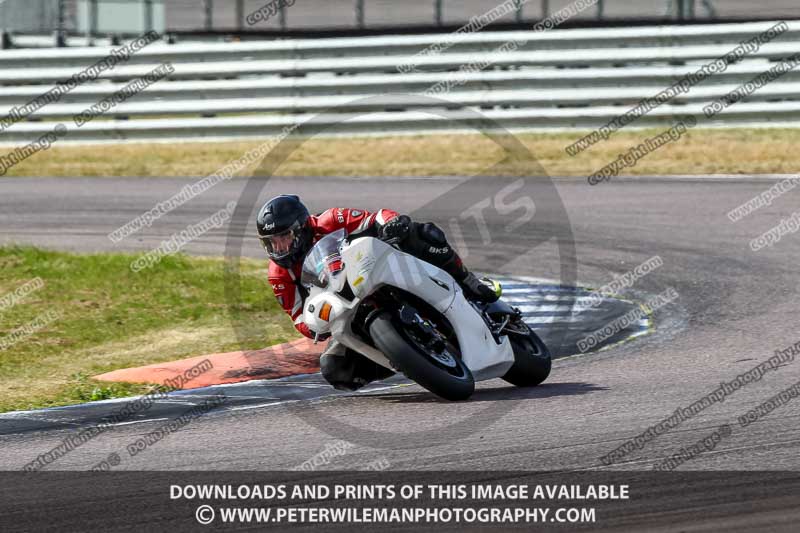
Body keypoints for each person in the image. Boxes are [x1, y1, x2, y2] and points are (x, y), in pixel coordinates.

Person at [256, 194, 498, 391]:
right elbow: (296, 314)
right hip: (344, 308)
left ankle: (469, 280)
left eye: (284, 238)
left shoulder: (330, 219)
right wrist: (314, 325)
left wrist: (393, 222)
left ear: (301, 227)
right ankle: (407, 360)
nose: (279, 248)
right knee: (334, 369)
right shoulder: (279, 273)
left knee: (421, 233)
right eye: (271, 242)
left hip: (374, 271)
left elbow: (376, 218)